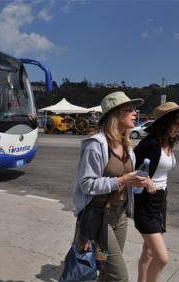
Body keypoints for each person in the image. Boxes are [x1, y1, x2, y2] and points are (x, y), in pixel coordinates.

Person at [72, 91, 149, 282]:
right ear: (115, 115)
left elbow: (128, 182)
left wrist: (140, 182)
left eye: (135, 109)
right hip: (99, 218)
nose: (135, 113)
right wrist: (122, 180)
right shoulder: (96, 144)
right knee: (119, 276)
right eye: (128, 109)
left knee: (105, 268)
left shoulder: (127, 145)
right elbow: (86, 184)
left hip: (120, 216)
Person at [133, 102, 179, 282]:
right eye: (176, 122)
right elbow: (130, 169)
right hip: (146, 204)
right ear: (165, 122)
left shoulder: (167, 142)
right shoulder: (151, 144)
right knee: (162, 258)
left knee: (149, 254)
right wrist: (146, 180)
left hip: (160, 202)